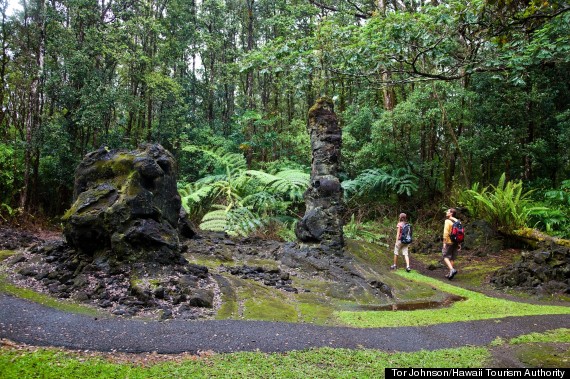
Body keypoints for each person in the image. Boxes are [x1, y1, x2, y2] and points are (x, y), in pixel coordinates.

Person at [442, 208, 460, 279]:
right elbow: (460, 233)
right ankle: (450, 274)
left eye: (448, 211)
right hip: (456, 241)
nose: (446, 212)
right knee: (452, 258)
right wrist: (459, 243)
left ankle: (452, 270)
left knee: (445, 256)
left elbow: (446, 232)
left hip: (449, 241)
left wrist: (444, 242)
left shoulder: (447, 221)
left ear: (451, 213)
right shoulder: (457, 221)